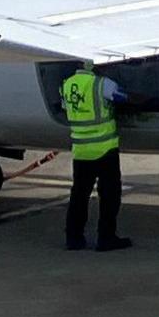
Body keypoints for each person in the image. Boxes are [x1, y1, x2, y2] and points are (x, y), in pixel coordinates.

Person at [59, 59, 130, 252]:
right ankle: (106, 238)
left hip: (81, 150)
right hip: (105, 148)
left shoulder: (67, 84)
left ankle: (73, 239)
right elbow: (123, 98)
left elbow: (66, 107)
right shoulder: (102, 84)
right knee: (109, 196)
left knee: (79, 195)